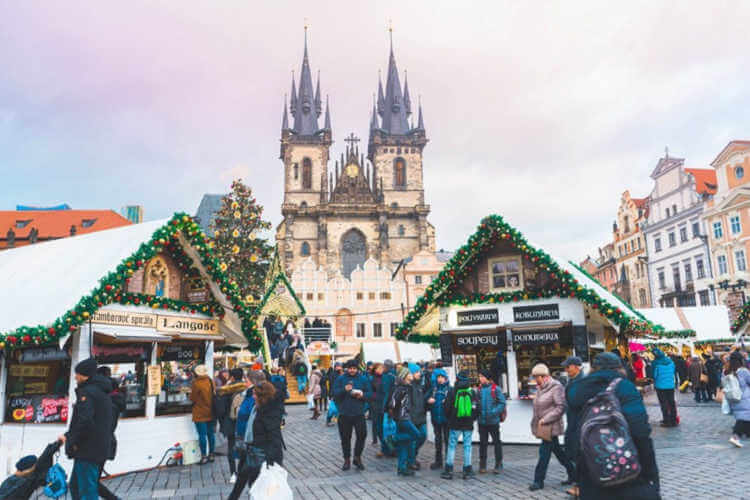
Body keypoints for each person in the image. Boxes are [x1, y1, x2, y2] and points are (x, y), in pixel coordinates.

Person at [567, 352, 660, 499]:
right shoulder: (625, 387)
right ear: (619, 368)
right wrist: (650, 473)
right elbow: (640, 432)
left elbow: (571, 434)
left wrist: (579, 474)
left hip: (591, 471)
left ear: (593, 368)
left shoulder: (576, 390)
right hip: (628, 469)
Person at [61, 358, 114, 500]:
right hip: (97, 447)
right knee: (76, 486)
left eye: (77, 373)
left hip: (88, 449)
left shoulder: (87, 393)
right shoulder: (101, 392)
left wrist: (71, 439)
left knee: (86, 490)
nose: (75, 377)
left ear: (85, 375)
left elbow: (84, 420)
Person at [226, 381, 285, 500]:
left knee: (254, 483)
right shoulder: (258, 407)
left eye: (255, 394)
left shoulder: (269, 411)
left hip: (262, 454)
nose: (253, 396)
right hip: (253, 450)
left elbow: (274, 437)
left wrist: (273, 461)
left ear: (262, 396)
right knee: (244, 479)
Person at [528, 363, 575, 491]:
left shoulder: (556, 387)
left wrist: (546, 418)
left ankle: (538, 481)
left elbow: (561, 407)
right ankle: (573, 473)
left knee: (544, 454)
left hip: (550, 426)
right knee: (559, 453)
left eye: (536, 377)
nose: (534, 380)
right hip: (543, 426)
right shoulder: (540, 388)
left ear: (543, 376)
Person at [333, 359, 373, 471]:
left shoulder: (363, 379)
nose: (352, 370)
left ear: (357, 369)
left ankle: (357, 457)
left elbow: (370, 393)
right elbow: (335, 393)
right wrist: (344, 390)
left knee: (362, 435)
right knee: (345, 438)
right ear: (347, 368)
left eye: (354, 368)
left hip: (359, 413)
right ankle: (346, 459)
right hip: (344, 413)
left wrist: (362, 395)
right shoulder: (341, 379)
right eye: (350, 368)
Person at [441, 370, 477, 480]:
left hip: (454, 423)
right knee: (467, 446)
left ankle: (449, 470)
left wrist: (450, 418)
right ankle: (467, 470)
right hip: (468, 424)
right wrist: (472, 419)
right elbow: (476, 408)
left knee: (452, 446)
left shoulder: (452, 391)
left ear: (457, 379)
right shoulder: (472, 392)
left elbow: (446, 408)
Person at [96, 366, 126, 500]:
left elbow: (103, 426)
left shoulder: (110, 405)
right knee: (89, 481)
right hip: (102, 443)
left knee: (90, 481)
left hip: (101, 444)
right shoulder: (111, 403)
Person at [388, 367, 423, 476]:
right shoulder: (401, 389)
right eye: (409, 373)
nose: (411, 375)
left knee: (404, 444)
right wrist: (398, 414)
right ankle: (393, 438)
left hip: (402, 417)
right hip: (403, 418)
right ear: (405, 376)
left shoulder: (406, 387)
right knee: (418, 435)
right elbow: (392, 403)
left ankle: (401, 468)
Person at [216, 368, 247, 483]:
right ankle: (243, 470)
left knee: (231, 447)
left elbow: (220, 409)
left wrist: (222, 421)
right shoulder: (246, 389)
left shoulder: (226, 390)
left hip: (230, 422)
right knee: (245, 446)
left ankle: (233, 473)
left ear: (232, 377)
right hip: (243, 422)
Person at [562, 356, 585, 497]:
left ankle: (580, 485)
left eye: (568, 367)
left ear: (576, 367)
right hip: (572, 421)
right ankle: (576, 481)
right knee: (571, 451)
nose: (566, 370)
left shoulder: (582, 382)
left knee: (578, 454)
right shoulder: (572, 381)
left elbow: (576, 401)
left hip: (579, 422)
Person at [477, 370, 506, 475]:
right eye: (479, 376)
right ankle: (482, 464)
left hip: (493, 421)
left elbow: (502, 403)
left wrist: (494, 412)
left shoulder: (496, 389)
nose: (480, 378)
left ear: (487, 378)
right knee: (483, 443)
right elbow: (476, 402)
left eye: (481, 376)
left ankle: (498, 463)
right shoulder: (479, 390)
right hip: (482, 422)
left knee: (496, 442)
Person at [190, 364, 215, 465]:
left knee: (202, 435)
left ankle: (204, 456)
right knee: (211, 434)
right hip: (211, 411)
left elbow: (193, 398)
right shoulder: (210, 380)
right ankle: (212, 454)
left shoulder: (196, 383)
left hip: (200, 413)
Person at [427, 368, 450, 470]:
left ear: (445, 378)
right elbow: (425, 400)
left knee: (448, 440)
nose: (440, 379)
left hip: (446, 419)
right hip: (436, 418)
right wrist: (428, 400)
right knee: (438, 440)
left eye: (442, 377)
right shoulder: (433, 389)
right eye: (438, 377)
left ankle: (448, 461)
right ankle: (438, 461)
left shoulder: (449, 389)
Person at [726, 351, 750, 448]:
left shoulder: (728, 371)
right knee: (743, 418)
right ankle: (736, 436)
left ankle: (747, 433)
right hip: (745, 399)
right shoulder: (743, 371)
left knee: (744, 417)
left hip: (734, 399)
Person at [407, 363, 427, 468]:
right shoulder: (409, 386)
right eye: (417, 372)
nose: (419, 374)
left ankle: (412, 455)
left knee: (423, 435)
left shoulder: (420, 384)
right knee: (413, 439)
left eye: (419, 372)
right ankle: (411, 460)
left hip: (421, 416)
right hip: (412, 417)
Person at [652, 348, 677, 427]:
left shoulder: (656, 363)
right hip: (670, 386)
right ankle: (673, 420)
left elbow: (654, 375)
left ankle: (666, 421)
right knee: (671, 403)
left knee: (664, 403)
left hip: (660, 386)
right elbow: (673, 372)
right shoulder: (671, 362)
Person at [377, 359, 397, 457]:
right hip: (392, 406)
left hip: (387, 406)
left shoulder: (386, 376)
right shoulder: (394, 375)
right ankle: (390, 448)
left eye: (384, 366)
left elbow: (387, 392)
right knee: (391, 428)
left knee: (386, 429)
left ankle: (388, 449)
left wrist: (388, 407)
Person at [369, 363, 384, 446]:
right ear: (375, 369)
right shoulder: (372, 379)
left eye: (382, 368)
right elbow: (370, 391)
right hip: (375, 403)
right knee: (375, 422)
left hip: (383, 402)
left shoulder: (384, 377)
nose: (381, 369)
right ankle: (375, 439)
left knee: (381, 422)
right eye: (380, 368)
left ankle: (382, 439)